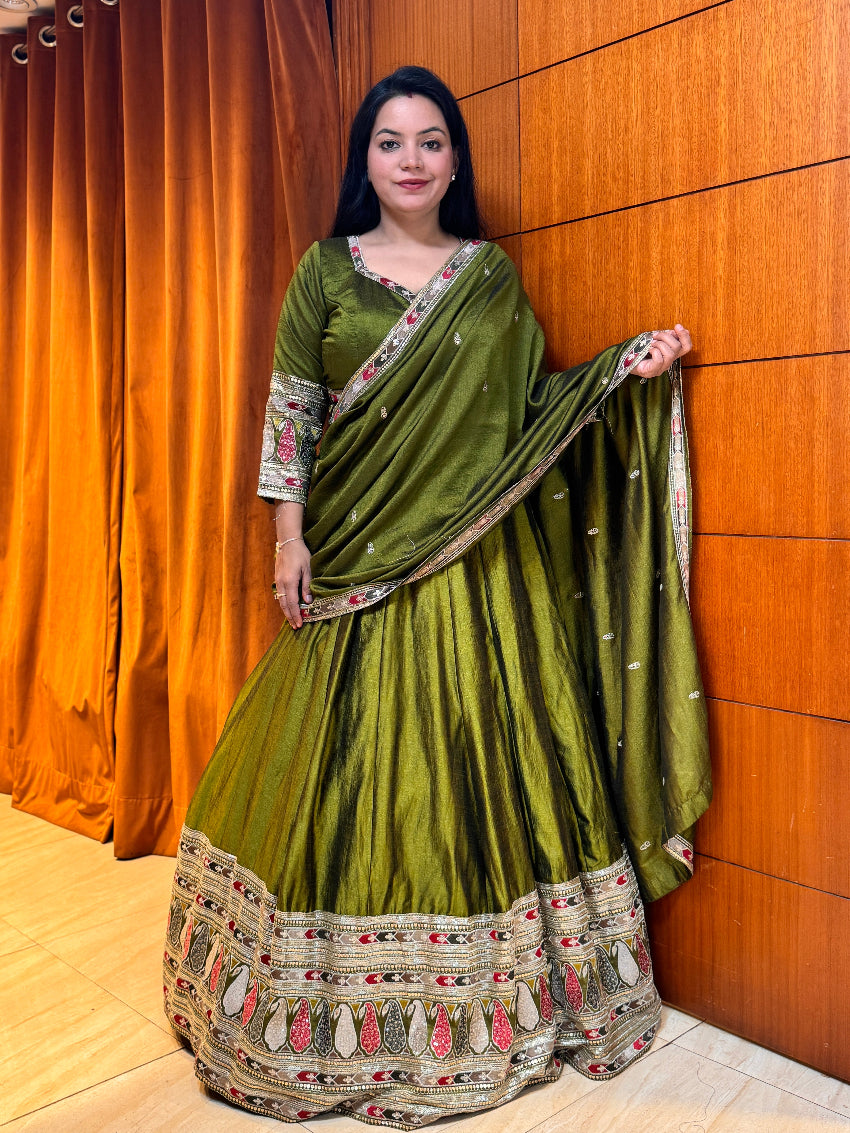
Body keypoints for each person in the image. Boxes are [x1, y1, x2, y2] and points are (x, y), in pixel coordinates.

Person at [163, 66, 710, 1128]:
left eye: (429, 141)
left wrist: (620, 370)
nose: (410, 159)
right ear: (363, 160)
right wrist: (287, 536)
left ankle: (501, 998)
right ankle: (309, 1002)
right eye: (389, 141)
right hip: (352, 559)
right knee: (339, 775)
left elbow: (523, 415)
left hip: (479, 573)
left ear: (455, 160)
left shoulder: (488, 278)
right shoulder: (325, 271)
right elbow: (291, 414)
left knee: (482, 764)